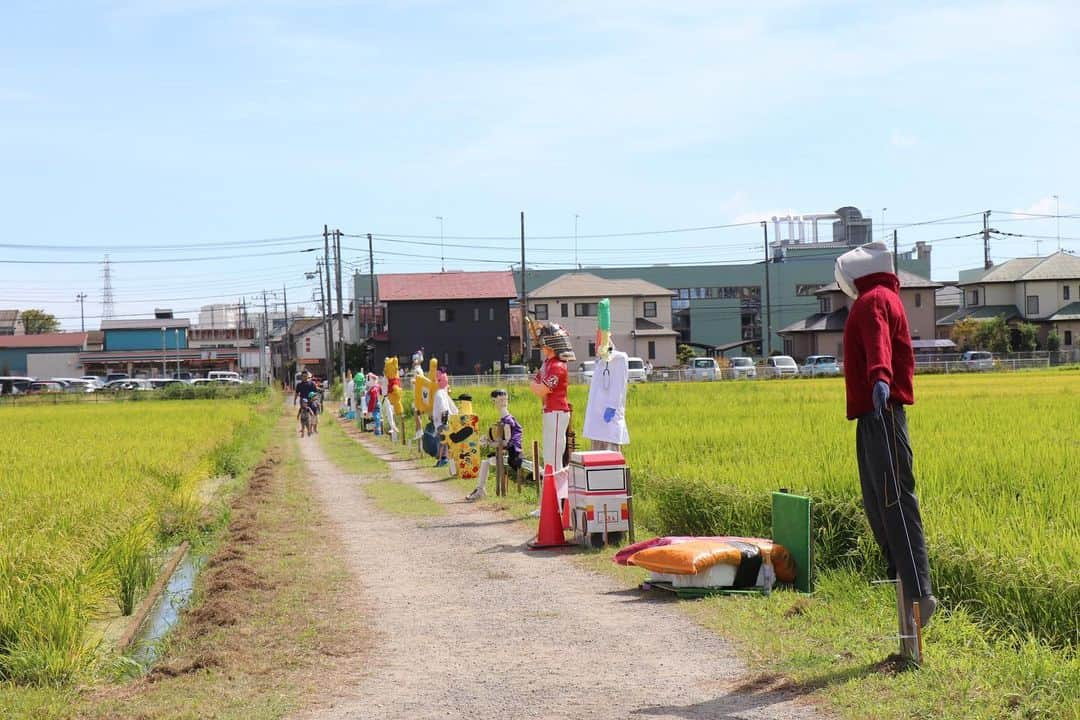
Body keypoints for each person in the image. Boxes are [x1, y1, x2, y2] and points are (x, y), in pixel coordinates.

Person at [835, 241, 937, 627]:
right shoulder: (878, 296)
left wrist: (880, 376)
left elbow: (879, 341)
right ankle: (900, 573)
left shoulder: (875, 299)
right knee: (877, 501)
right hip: (870, 415)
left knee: (895, 500)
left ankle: (920, 593)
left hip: (883, 410)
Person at [528, 321, 574, 515]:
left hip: (557, 412)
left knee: (554, 460)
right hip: (550, 412)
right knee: (550, 459)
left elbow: (541, 388)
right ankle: (549, 504)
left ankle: (555, 505)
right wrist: (536, 386)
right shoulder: (548, 363)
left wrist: (535, 385)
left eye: (545, 344)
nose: (542, 348)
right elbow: (538, 384)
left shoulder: (558, 366)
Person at [466, 389, 523, 502]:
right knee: (486, 461)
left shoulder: (507, 420)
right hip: (511, 453)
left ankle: (480, 490)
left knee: (486, 462)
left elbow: (506, 442)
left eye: (504, 399)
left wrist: (489, 443)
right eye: (500, 400)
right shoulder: (506, 419)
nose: (502, 402)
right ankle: (480, 490)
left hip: (514, 456)